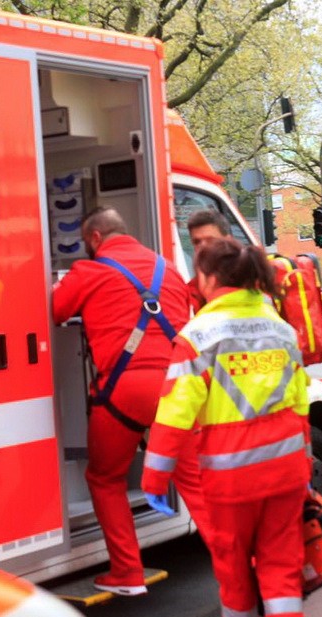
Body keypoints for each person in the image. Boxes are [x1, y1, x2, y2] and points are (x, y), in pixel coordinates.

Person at [141, 239, 311, 617]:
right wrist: (304, 469)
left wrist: (155, 477)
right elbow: (300, 405)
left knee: (234, 569)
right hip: (286, 468)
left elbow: (174, 413)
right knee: (281, 571)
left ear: (211, 278)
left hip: (231, 476)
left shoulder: (198, 337)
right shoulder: (281, 329)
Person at [52, 206, 210, 596]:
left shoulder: (89, 271)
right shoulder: (166, 268)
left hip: (124, 390)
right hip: (176, 389)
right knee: (194, 483)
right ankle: (243, 566)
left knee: (105, 478)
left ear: (94, 239)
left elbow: (56, 310)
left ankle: (127, 573)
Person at [185, 208, 232, 311]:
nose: (203, 247)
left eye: (211, 240)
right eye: (197, 242)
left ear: (228, 241)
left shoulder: (251, 280)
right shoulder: (190, 291)